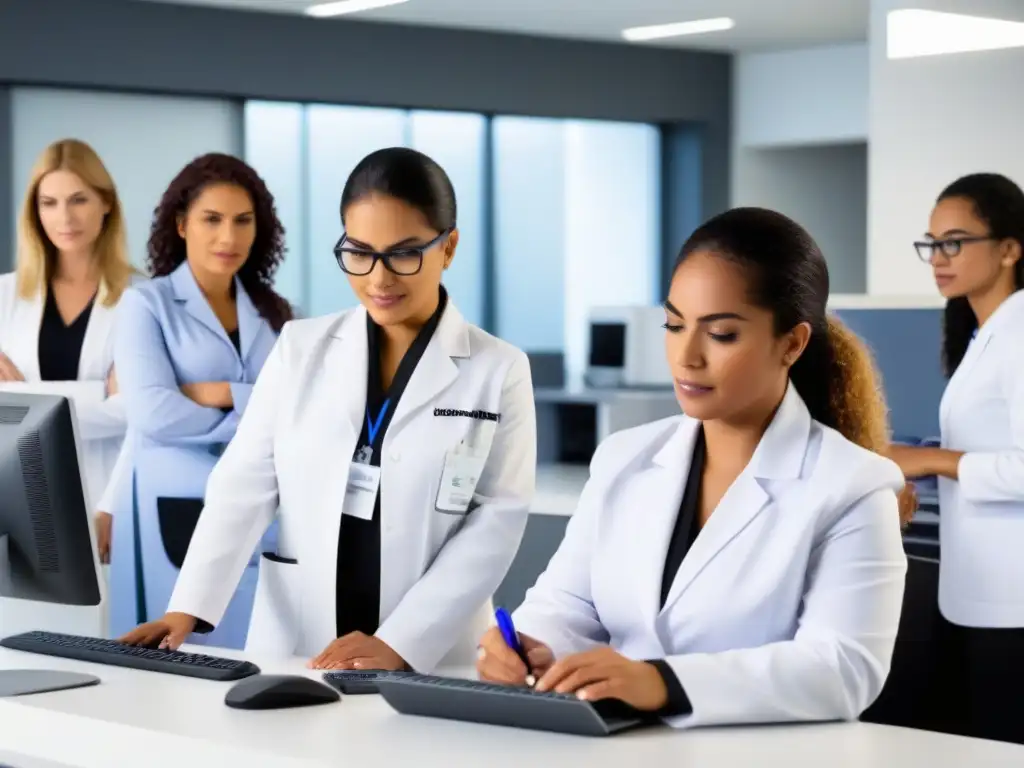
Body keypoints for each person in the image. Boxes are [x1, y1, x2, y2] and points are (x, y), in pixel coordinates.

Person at [477, 207, 912, 729]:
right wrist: (527, 648)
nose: (686, 356)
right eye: (674, 325)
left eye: (722, 334)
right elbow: (566, 604)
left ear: (792, 343)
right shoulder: (624, 458)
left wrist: (663, 682)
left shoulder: (853, 485)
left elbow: (843, 668)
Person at [119, 147, 536, 673]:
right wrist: (189, 606)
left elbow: (495, 521)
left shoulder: (498, 369)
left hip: (431, 649)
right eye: (359, 252)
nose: (378, 279)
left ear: (448, 248)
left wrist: (403, 642)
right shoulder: (300, 347)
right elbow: (244, 480)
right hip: (301, 640)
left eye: (404, 254)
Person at [99, 153, 293, 646]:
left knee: (251, 655)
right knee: (168, 654)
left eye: (242, 221)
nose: (229, 237)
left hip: (258, 507)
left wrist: (225, 393)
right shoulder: (148, 304)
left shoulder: (274, 313)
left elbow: (297, 407)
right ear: (182, 225)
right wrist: (257, 414)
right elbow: (153, 413)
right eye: (212, 219)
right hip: (173, 499)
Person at [889, 173, 1024, 744]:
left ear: (1010, 248)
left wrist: (933, 462)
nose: (939, 257)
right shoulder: (986, 333)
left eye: (955, 241)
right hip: (986, 591)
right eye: (932, 243)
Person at [0, 138, 138, 523]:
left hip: (105, 500)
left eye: (79, 199)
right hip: (18, 492)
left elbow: (137, 415)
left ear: (106, 202)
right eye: (50, 203)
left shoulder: (141, 300)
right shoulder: (4, 295)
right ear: (35, 211)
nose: (65, 217)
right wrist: (96, 394)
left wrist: (22, 398)